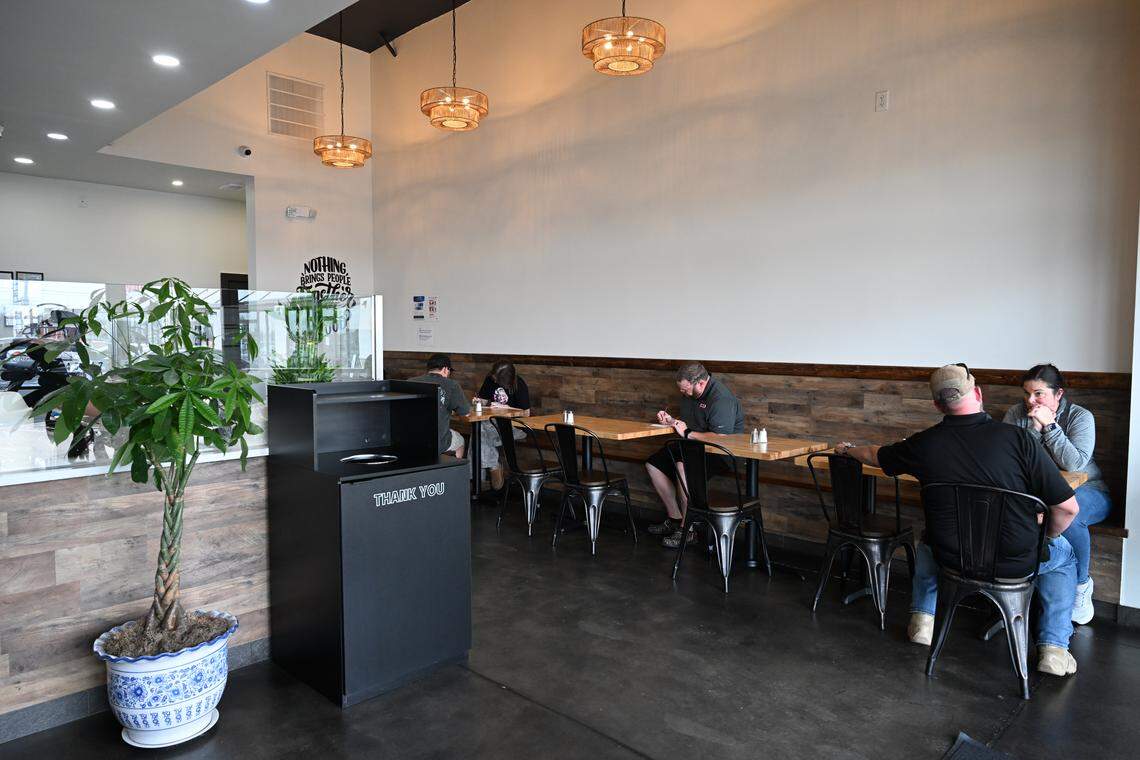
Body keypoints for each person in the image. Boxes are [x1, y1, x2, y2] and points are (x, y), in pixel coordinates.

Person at [836, 363, 1081, 677]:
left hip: (951, 559)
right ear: (977, 393)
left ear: (937, 405)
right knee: (1065, 556)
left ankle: (922, 621)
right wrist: (1044, 536)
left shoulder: (923, 444)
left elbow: (875, 455)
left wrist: (850, 450)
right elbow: (1068, 509)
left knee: (928, 540)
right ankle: (1054, 649)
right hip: (1013, 562)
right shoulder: (1019, 440)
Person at [1003, 364, 1112, 625]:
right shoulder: (1016, 414)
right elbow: (1010, 461)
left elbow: (1075, 464)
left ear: (1058, 394)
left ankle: (1081, 586)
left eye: (1038, 394)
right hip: (1037, 493)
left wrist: (1051, 428)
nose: (1030, 401)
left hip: (1088, 490)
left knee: (1068, 511)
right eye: (1027, 394)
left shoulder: (1080, 417)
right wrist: (1033, 430)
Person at [645, 362, 745, 549]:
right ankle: (675, 518)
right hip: (693, 446)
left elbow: (721, 438)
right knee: (654, 464)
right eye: (682, 390)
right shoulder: (691, 393)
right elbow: (688, 426)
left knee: (683, 467)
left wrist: (687, 433)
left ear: (700, 383)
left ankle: (687, 530)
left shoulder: (721, 398)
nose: (684, 394)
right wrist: (672, 421)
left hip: (720, 453)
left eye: (686, 390)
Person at [474, 360, 531, 490]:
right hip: (492, 425)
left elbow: (526, 414)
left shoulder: (519, 384)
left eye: (496, 378)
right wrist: (478, 401)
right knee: (479, 431)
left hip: (514, 428)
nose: (493, 379)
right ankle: (492, 467)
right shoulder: (490, 380)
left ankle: (478, 479)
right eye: (493, 376)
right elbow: (482, 401)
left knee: (479, 433)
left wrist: (506, 407)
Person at [409, 353, 469, 458]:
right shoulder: (451, 385)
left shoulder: (411, 382)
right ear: (445, 369)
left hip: (412, 438)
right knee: (460, 440)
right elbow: (465, 411)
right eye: (449, 371)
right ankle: (453, 471)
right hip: (438, 440)